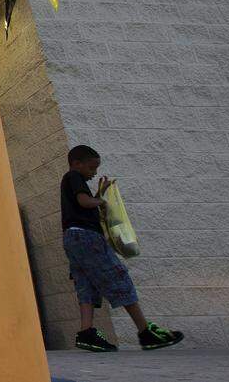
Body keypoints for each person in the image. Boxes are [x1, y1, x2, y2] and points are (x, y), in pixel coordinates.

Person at [61, 145, 184, 352]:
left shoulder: (71, 180)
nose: (94, 173)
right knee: (117, 276)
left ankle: (87, 333)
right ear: (77, 164)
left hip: (71, 237)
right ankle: (145, 332)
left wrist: (99, 194)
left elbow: (83, 202)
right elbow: (84, 202)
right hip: (87, 236)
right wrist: (103, 201)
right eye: (92, 168)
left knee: (86, 284)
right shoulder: (73, 176)